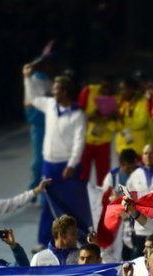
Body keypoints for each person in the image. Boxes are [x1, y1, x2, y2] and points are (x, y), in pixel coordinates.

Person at [21, 69, 90, 249]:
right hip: (48, 164)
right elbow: (33, 99)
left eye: (56, 89)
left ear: (65, 92)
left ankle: (82, 239)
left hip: (67, 165)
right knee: (48, 204)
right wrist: (27, 77)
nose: (53, 92)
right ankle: (44, 242)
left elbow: (79, 141)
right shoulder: (50, 105)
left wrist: (72, 164)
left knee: (71, 204)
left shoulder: (78, 114)